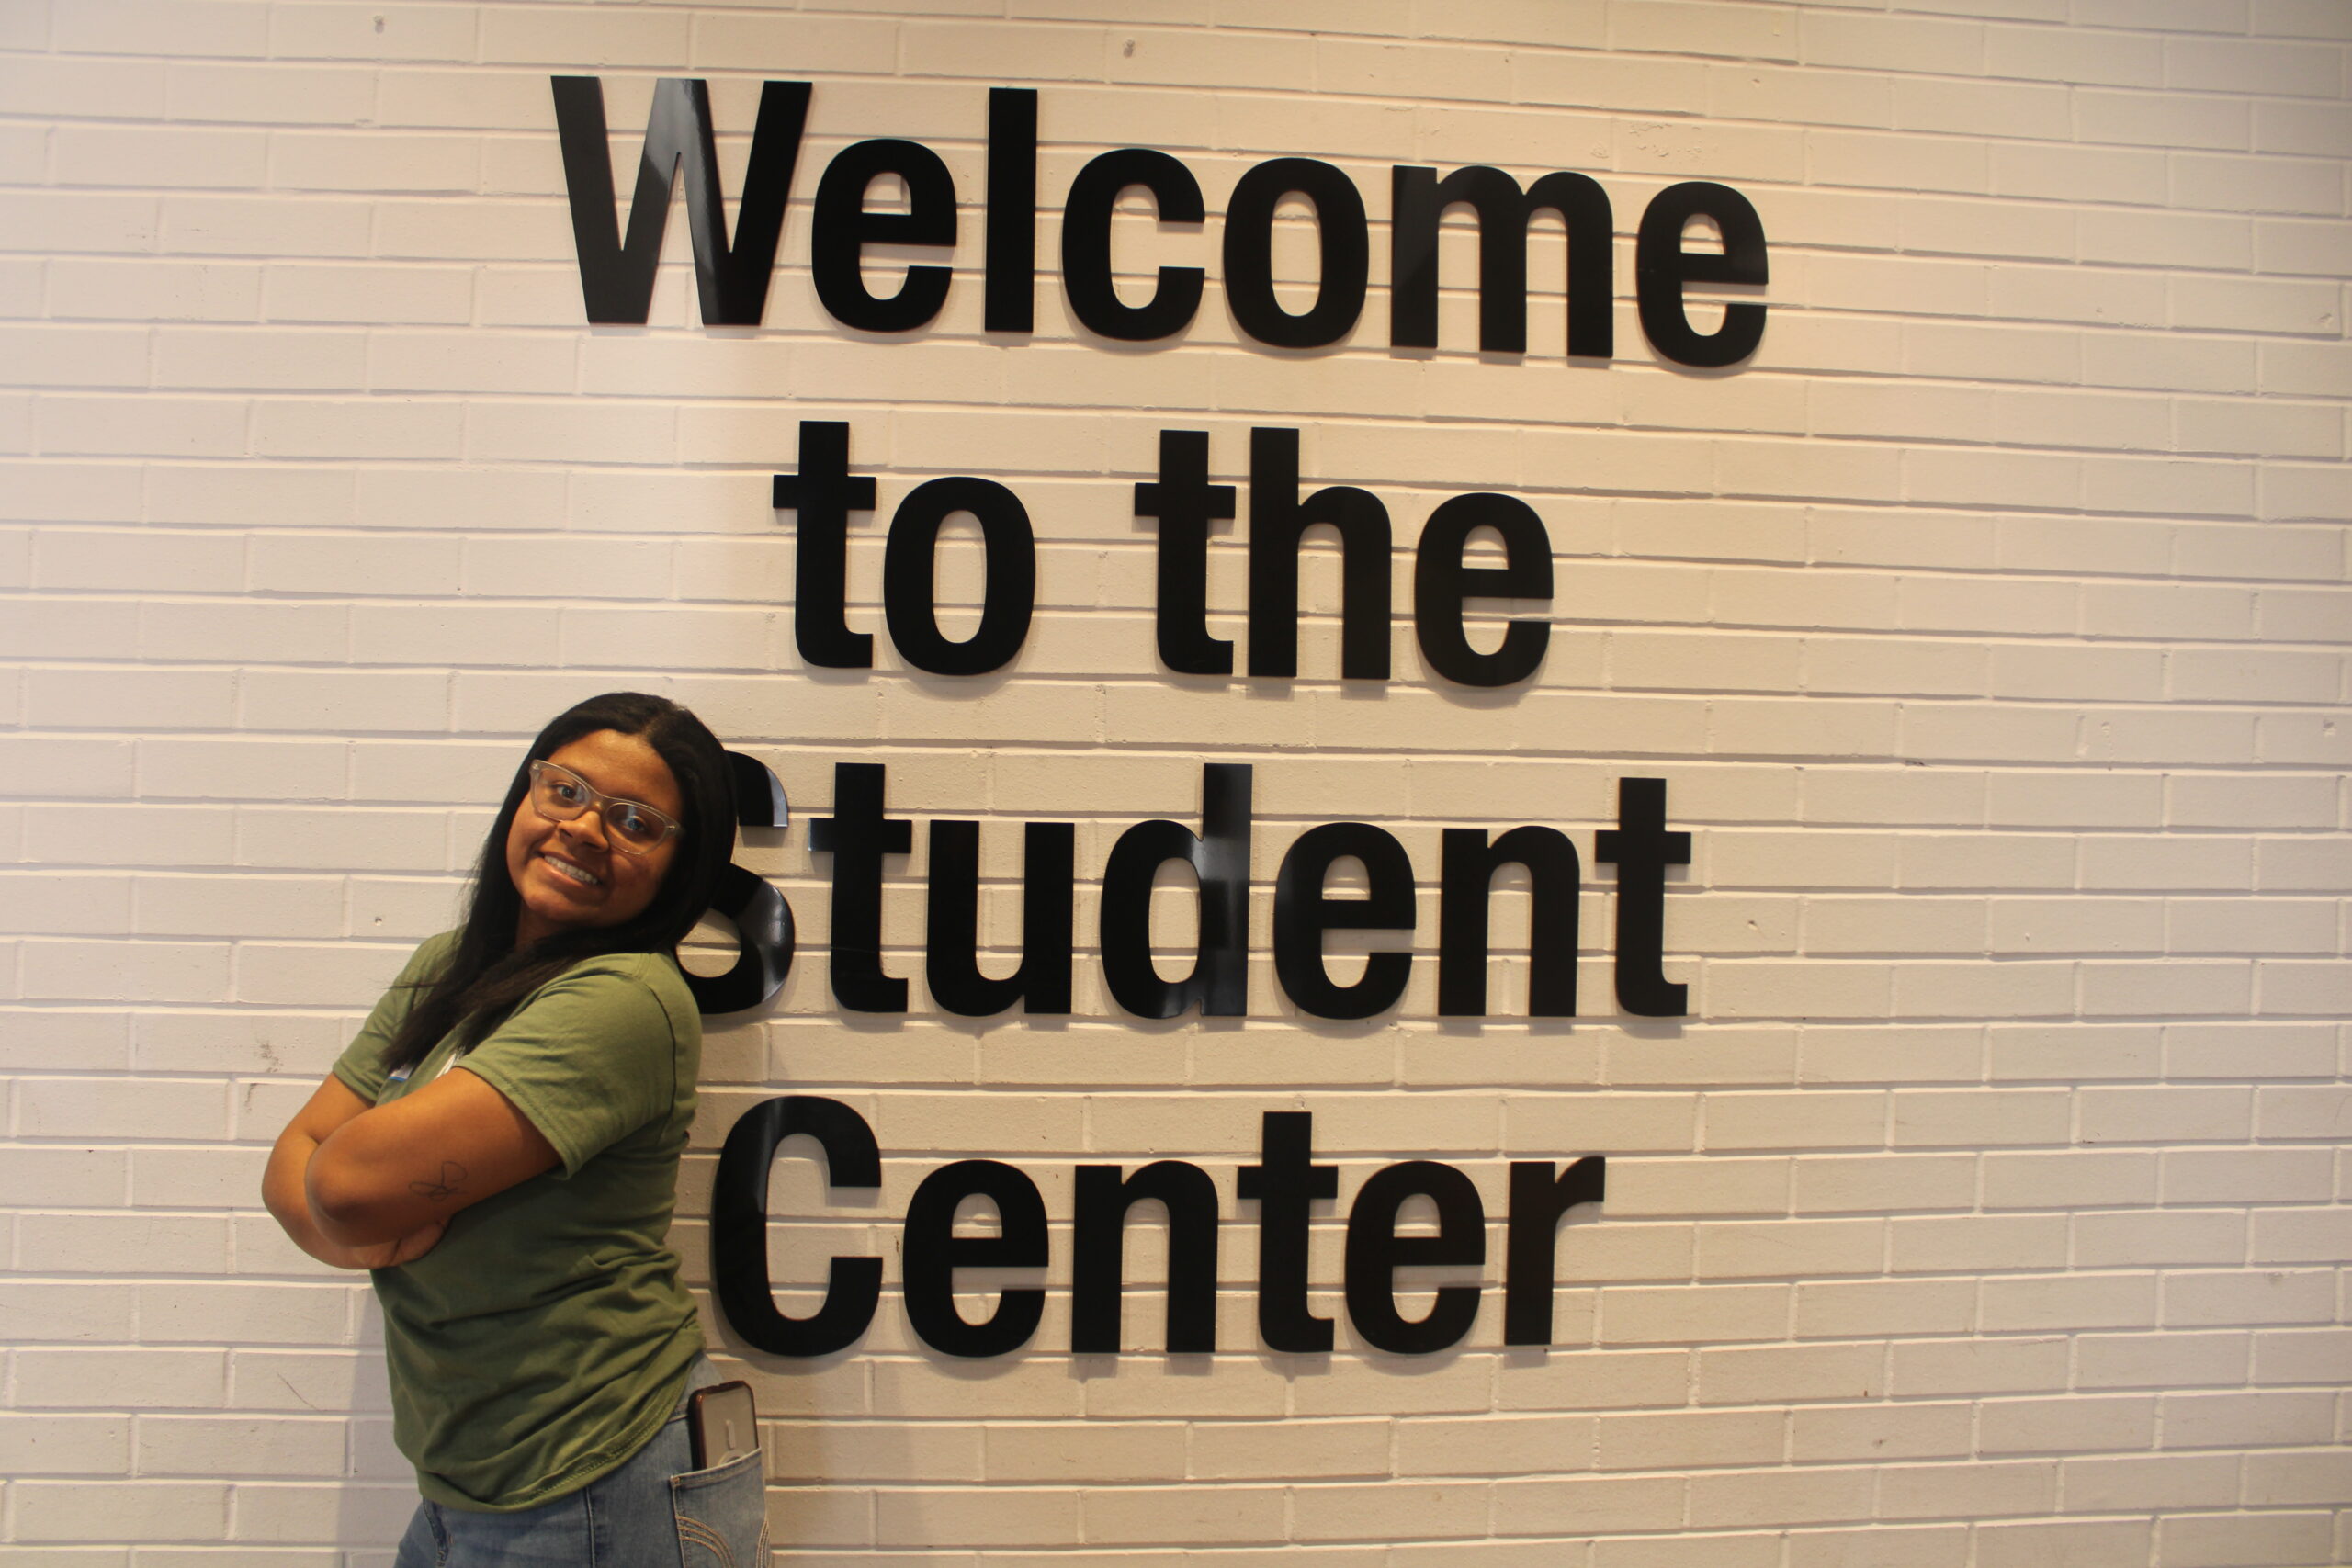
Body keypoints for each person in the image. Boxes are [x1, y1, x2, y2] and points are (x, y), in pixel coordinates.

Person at [262, 692, 768, 1566]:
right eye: (564, 790)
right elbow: (291, 1169)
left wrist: (353, 1209)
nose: (584, 828)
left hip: (597, 1477)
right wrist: (362, 1232)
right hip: (479, 1482)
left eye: (636, 821)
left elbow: (342, 1181)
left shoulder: (625, 1000)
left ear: (679, 870)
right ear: (525, 794)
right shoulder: (451, 966)